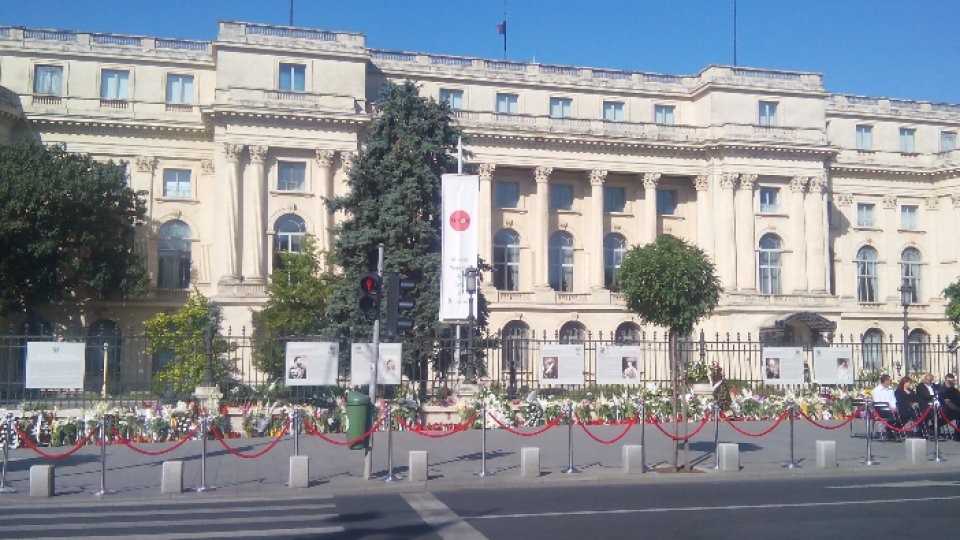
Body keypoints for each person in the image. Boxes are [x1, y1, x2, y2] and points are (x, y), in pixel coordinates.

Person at [916, 372, 939, 438]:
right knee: (927, 413)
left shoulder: (934, 386)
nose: (925, 380)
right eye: (925, 379)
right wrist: (935, 396)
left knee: (942, 413)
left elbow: (940, 391)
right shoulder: (920, 387)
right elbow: (926, 396)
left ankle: (935, 430)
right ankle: (925, 431)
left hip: (935, 405)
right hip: (925, 405)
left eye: (928, 380)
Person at [939, 373, 960, 440]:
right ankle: (957, 436)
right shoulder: (943, 390)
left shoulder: (954, 390)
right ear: (946, 380)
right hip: (949, 410)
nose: (952, 382)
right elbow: (947, 402)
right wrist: (957, 409)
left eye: (952, 380)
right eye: (949, 380)